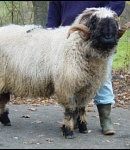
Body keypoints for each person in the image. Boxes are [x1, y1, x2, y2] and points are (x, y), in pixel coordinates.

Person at [46, 1, 125, 135]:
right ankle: (75, 116)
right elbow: (54, 8)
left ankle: (105, 120)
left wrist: (102, 17)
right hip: (69, 36)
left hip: (98, 32)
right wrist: (49, 30)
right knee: (71, 79)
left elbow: (117, 3)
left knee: (102, 79)